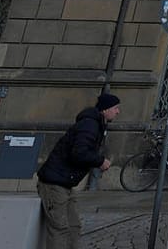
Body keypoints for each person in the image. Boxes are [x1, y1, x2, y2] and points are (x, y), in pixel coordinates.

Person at [37, 92, 119, 249]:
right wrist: (100, 161)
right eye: (115, 108)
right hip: (54, 184)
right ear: (105, 109)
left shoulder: (95, 124)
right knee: (59, 228)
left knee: (74, 226)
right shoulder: (90, 124)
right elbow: (79, 152)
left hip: (64, 183)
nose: (118, 112)